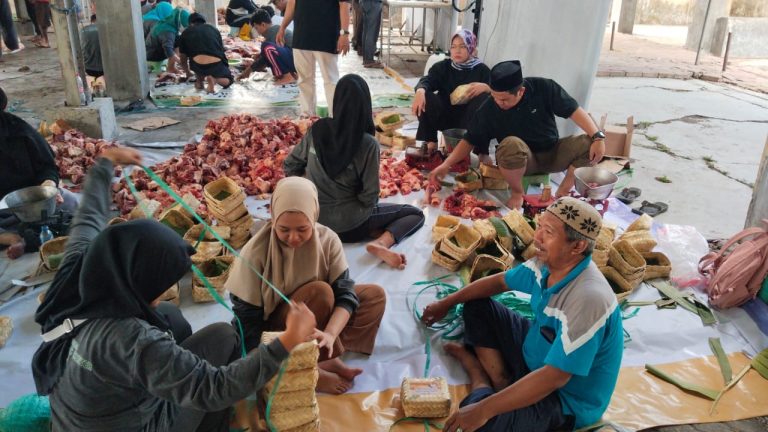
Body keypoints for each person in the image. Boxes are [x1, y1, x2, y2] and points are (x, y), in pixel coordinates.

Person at [32, 146, 318, 431]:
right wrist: (288, 340)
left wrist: (106, 163)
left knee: (169, 315)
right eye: (164, 282)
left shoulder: (80, 272)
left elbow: (88, 218)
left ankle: (172, 376)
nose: (168, 288)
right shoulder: (132, 339)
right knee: (223, 336)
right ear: (140, 283)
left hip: (73, 420)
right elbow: (215, 388)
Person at [422, 197, 623, 432]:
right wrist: (447, 302)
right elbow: (499, 281)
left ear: (577, 246)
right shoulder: (545, 263)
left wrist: (484, 409)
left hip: (564, 399)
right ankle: (502, 383)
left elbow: (554, 377)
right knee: (474, 304)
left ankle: (479, 378)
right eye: (539, 226)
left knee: (481, 424)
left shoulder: (589, 298)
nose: (537, 237)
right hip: (536, 352)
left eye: (548, 232)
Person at [225, 176, 386, 395]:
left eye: (303, 229)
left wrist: (329, 334)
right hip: (277, 330)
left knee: (373, 295)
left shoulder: (327, 239)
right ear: (272, 218)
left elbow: (346, 293)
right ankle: (309, 369)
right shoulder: (256, 253)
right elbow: (247, 322)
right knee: (320, 292)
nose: (293, 238)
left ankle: (325, 353)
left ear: (314, 217)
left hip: (315, 321)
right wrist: (268, 356)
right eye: (284, 229)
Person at [284, 74, 424, 269]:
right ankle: (380, 243)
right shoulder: (368, 144)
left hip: (313, 222)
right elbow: (369, 196)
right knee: (414, 214)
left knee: (375, 214)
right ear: (365, 105)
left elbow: (290, 165)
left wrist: (309, 194)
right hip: (352, 227)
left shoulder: (317, 130)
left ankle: (376, 231)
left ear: (336, 101)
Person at [428, 60, 607, 211]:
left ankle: (563, 192)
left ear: (520, 91)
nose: (499, 103)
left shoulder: (544, 87)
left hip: (553, 152)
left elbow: (574, 111)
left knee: (587, 142)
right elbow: (469, 139)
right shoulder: (490, 107)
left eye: (504, 99)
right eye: (495, 97)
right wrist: (446, 164)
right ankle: (517, 192)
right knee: (510, 144)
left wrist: (598, 136)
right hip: (521, 160)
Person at [0, 87, 78, 259]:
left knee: (72, 201)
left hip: (33, 202)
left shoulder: (19, 130)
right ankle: (14, 239)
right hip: (2, 215)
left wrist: (48, 186)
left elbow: (47, 168)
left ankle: (27, 236)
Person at [412, 29, 490, 153]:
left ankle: (481, 151)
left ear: (471, 48)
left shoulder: (482, 70)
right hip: (444, 117)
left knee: (486, 98)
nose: (457, 51)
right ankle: (430, 142)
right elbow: (427, 80)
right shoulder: (443, 67)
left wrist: (487, 88)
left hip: (468, 122)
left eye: (463, 46)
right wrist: (420, 91)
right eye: (453, 47)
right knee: (424, 95)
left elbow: (499, 93)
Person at [277, 0, 350, 116]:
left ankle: (335, 117)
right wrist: (282, 27)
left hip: (326, 36)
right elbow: (292, 3)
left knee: (331, 81)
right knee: (304, 80)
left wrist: (344, 34)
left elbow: (344, 4)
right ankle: (307, 116)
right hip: (302, 36)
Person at [178, 13, 234, 93]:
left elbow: (182, 57)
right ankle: (214, 80)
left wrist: (187, 72)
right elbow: (221, 50)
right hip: (215, 63)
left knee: (194, 59)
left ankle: (200, 82)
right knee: (229, 80)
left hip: (198, 64)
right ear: (204, 21)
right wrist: (225, 66)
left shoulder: (186, 32)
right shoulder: (213, 29)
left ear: (190, 23)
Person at [237, 8, 296, 85]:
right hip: (295, 60)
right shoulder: (274, 30)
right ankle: (289, 74)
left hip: (297, 60)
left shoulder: (273, 31)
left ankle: (288, 76)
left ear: (263, 25)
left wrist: (248, 71)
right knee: (265, 50)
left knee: (266, 47)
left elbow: (264, 59)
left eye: (256, 28)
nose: (256, 31)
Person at [145, 6, 190, 74]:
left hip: (157, 50)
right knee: (173, 45)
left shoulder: (169, 23)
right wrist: (182, 63)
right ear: (179, 22)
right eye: (183, 25)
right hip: (152, 54)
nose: (184, 28)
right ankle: (170, 68)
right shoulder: (167, 30)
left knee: (178, 41)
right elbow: (168, 50)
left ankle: (171, 67)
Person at [359, 0, 381, 68]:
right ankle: (369, 60)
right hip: (372, 3)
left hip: (365, 3)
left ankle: (366, 59)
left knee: (366, 30)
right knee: (372, 31)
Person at [80, 15, 103, 81]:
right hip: (104, 67)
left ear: (91, 21)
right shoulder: (105, 30)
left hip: (88, 68)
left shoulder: (83, 30)